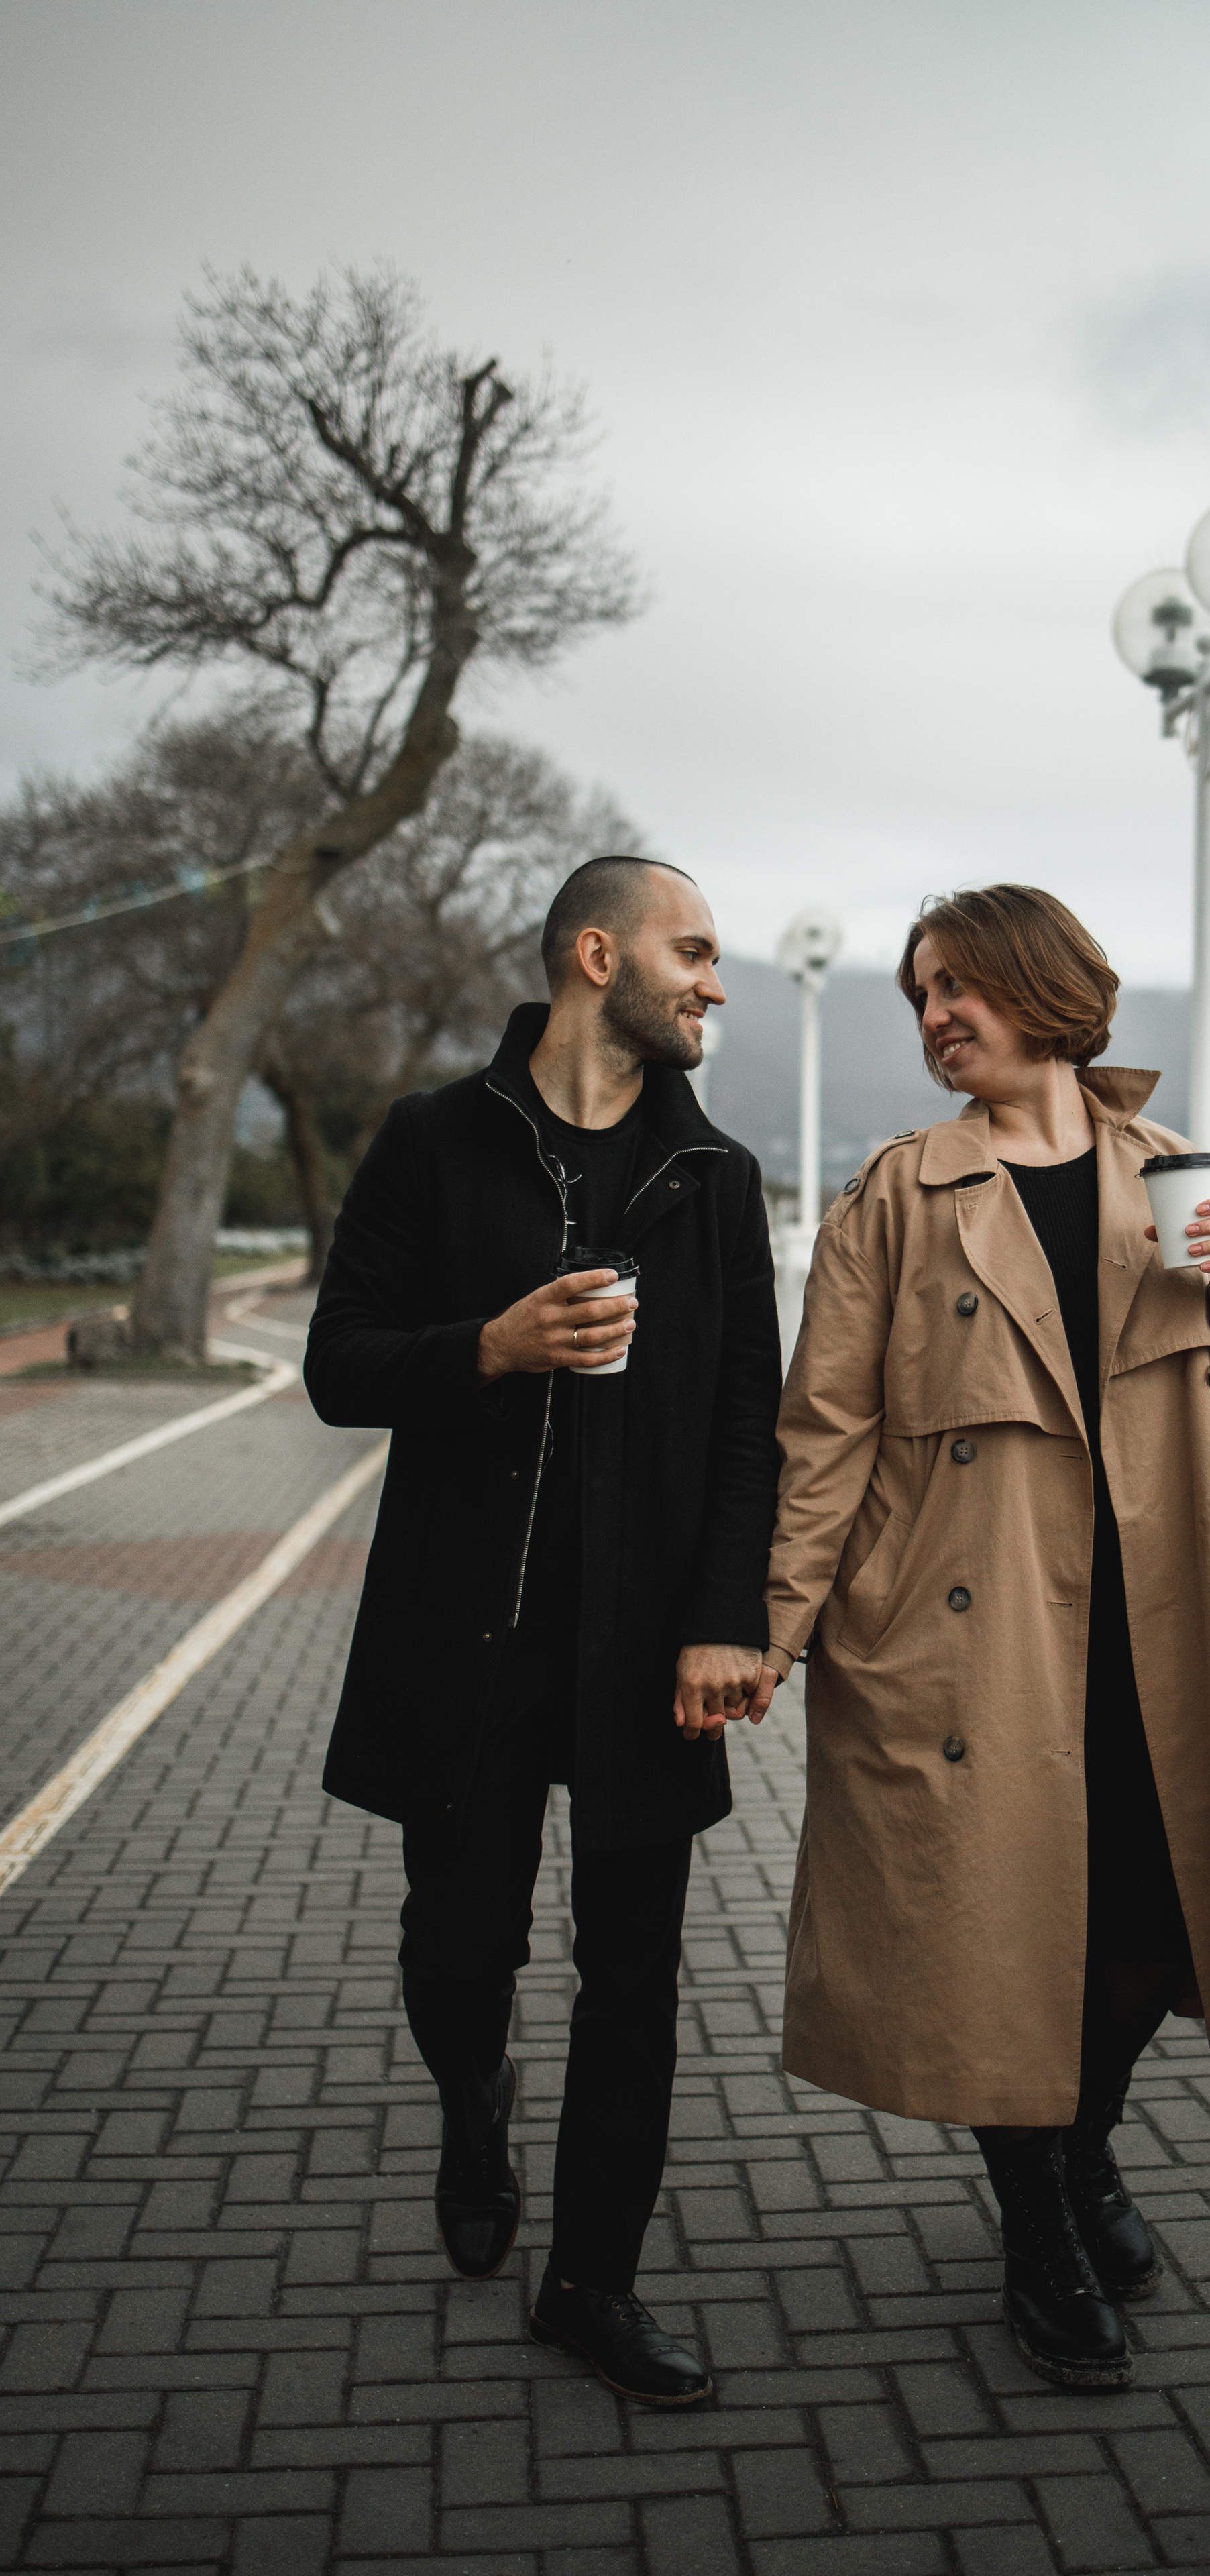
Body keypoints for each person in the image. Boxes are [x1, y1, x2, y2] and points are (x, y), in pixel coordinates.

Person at [761, 883, 1210, 2391]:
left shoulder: (1164, 1168)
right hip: (962, 1630)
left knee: (1138, 1923)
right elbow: (823, 1431)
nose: (938, 1015)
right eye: (920, 993)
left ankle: (1085, 2159)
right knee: (1002, 1933)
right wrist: (770, 1629)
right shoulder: (895, 1191)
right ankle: (1035, 2228)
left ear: (1045, 991)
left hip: (1149, 1628)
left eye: (962, 987)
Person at [304, 855, 781, 2408]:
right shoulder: (436, 1143)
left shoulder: (716, 1181)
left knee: (632, 1974)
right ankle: (471, 2095)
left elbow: (742, 1434)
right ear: (597, 955)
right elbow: (339, 1365)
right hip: (469, 1636)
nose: (716, 980)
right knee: (460, 1954)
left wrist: (725, 1621)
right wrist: (493, 1348)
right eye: (692, 951)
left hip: (649, 1652)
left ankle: (591, 2287)